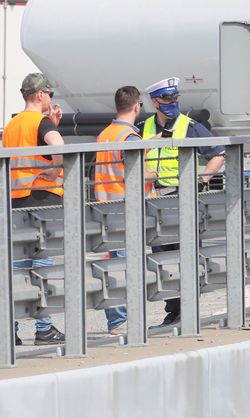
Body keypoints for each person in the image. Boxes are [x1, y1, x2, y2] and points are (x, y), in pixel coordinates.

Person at [142, 77, 226, 327]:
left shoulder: (189, 126)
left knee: (184, 254)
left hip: (181, 196)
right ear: (155, 101)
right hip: (155, 198)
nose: (172, 102)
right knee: (162, 257)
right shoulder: (144, 127)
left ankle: (185, 309)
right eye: (167, 98)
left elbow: (218, 153)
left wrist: (202, 180)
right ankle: (173, 310)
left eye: (175, 98)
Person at [4, 72, 67, 345]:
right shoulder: (40, 122)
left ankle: (10, 329)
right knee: (42, 266)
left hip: (15, 199)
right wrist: (55, 168)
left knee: (17, 268)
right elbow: (58, 146)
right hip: (43, 198)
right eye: (49, 94)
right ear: (40, 95)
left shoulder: (12, 124)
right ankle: (44, 329)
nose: (51, 99)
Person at [91, 86, 156, 336]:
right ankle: (122, 322)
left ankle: (115, 322)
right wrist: (158, 174)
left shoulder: (106, 134)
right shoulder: (130, 138)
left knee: (113, 266)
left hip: (105, 207)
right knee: (128, 266)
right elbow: (136, 173)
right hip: (127, 208)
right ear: (137, 106)